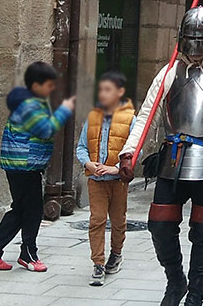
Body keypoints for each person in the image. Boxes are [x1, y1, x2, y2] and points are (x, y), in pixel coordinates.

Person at [118, 6, 203, 306]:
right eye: (189, 37)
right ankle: (175, 279)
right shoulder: (168, 73)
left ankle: (195, 293)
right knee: (160, 225)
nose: (194, 44)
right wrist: (129, 152)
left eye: (199, 37)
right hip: (173, 160)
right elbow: (147, 116)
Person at [0, 62, 76, 272]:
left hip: (22, 165)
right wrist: (64, 111)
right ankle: (28, 255)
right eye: (49, 84)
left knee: (22, 210)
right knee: (32, 211)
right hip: (24, 166)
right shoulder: (30, 105)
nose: (51, 88)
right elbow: (45, 129)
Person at [76, 70, 136, 286]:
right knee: (97, 219)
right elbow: (82, 147)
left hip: (118, 181)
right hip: (96, 180)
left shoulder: (130, 118)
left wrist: (117, 168)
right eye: (101, 89)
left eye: (108, 90)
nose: (103, 94)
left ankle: (116, 253)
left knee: (118, 220)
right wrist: (88, 163)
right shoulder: (92, 117)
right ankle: (98, 263)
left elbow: (134, 151)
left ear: (120, 92)